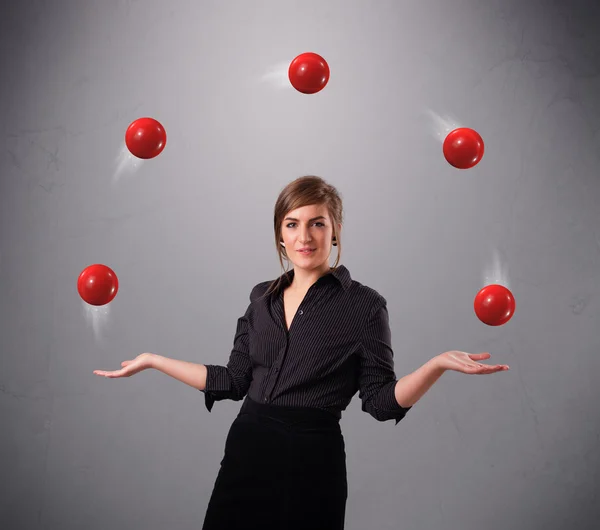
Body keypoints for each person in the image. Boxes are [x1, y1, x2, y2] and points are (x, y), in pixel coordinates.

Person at [93, 175, 509, 530]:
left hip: (311, 458)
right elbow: (234, 381)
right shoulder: (261, 299)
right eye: (292, 224)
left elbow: (381, 401)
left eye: (317, 224)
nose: (304, 237)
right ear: (280, 232)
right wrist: (153, 360)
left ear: (335, 230)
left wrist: (436, 365)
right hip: (247, 448)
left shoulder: (365, 306)